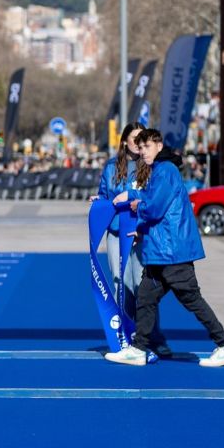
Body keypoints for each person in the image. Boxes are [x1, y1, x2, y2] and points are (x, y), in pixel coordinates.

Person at [107, 129, 224, 367]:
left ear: (158, 146)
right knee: (145, 298)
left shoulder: (166, 170)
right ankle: (139, 349)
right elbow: (156, 204)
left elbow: (154, 207)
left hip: (172, 253)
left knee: (192, 299)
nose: (142, 152)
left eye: (146, 146)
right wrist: (141, 227)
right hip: (161, 251)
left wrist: (136, 204)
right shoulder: (160, 170)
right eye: (140, 147)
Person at [93, 122, 170, 358]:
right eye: (134, 138)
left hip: (141, 234)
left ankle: (154, 337)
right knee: (120, 284)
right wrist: (98, 202)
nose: (139, 144)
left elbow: (155, 199)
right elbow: (105, 195)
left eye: (142, 139)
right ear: (124, 141)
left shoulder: (151, 166)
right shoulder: (111, 167)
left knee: (143, 287)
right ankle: (126, 335)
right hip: (117, 233)